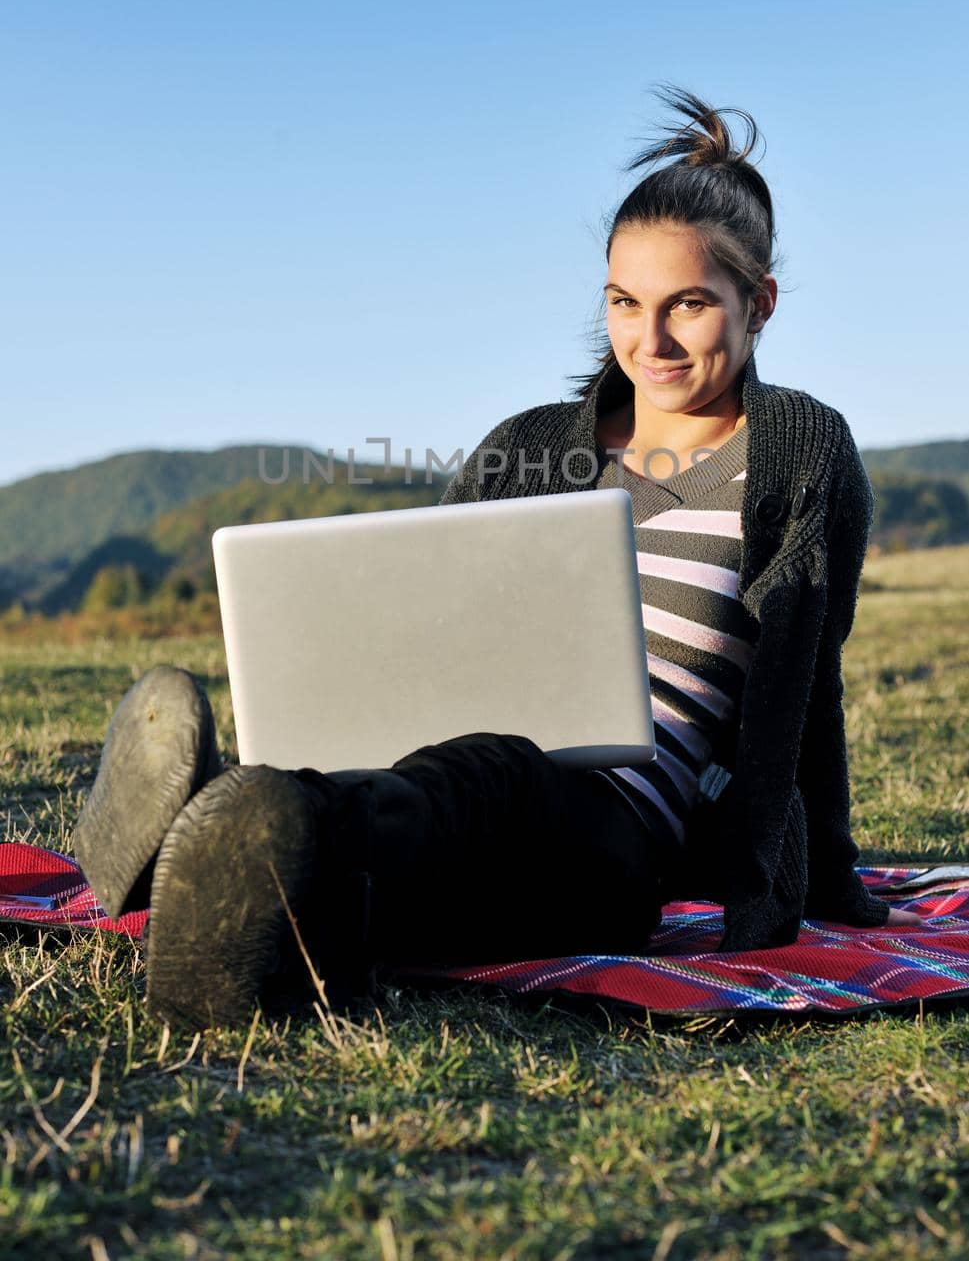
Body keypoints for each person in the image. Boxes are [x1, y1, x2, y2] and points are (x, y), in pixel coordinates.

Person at [73, 87, 920, 1031]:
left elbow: (812, 680)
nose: (651, 340)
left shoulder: (800, 449)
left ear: (756, 303)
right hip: (447, 778)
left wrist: (833, 876)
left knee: (496, 778)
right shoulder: (526, 448)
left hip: (615, 839)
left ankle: (243, 828)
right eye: (624, 304)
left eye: (688, 304)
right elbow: (419, 610)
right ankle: (255, 858)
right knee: (448, 795)